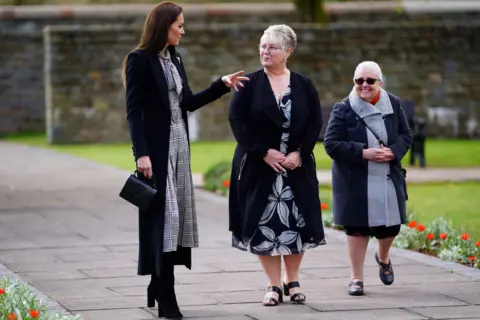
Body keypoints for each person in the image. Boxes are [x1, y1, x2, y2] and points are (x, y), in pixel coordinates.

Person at [122, 2, 248, 318]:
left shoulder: (175, 59)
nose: (183, 29)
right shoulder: (139, 60)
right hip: (158, 152)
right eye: (179, 24)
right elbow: (134, 111)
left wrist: (221, 85)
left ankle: (156, 282)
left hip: (180, 148)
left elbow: (187, 103)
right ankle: (167, 295)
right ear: (164, 25)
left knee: (176, 225)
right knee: (167, 219)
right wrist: (143, 155)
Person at [227, 24, 326, 307]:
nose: (265, 51)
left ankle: (292, 281)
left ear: (288, 51)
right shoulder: (248, 84)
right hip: (260, 167)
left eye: (272, 47)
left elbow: (315, 122)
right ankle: (272, 285)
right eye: (262, 46)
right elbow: (237, 122)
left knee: (296, 222)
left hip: (296, 167)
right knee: (264, 223)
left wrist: (299, 152)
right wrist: (263, 152)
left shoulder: (304, 84)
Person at [323, 61, 413, 296]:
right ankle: (356, 278)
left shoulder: (393, 103)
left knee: (391, 228)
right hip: (355, 180)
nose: (364, 85)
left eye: (370, 81)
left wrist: (394, 151)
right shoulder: (343, 108)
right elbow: (331, 144)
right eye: (359, 80)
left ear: (379, 83)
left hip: (386, 177)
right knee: (357, 229)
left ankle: (382, 257)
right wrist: (364, 153)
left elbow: (406, 135)